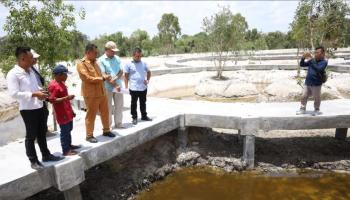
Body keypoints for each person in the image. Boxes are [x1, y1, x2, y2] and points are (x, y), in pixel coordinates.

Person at [6, 47, 63, 170]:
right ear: (22, 58)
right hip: (28, 109)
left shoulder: (31, 70)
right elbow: (14, 94)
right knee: (31, 136)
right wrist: (34, 94)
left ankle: (46, 155)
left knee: (42, 133)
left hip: (39, 106)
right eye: (31, 57)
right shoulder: (13, 74)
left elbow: (34, 86)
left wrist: (41, 91)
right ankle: (33, 160)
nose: (33, 60)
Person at [77, 44, 115, 143]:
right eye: (95, 52)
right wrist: (102, 78)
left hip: (102, 92)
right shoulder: (81, 64)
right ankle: (89, 135)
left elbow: (100, 74)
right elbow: (87, 78)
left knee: (105, 112)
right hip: (91, 94)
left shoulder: (96, 62)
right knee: (91, 115)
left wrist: (105, 75)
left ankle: (106, 130)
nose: (96, 54)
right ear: (88, 53)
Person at [48, 65, 81, 156]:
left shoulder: (61, 83)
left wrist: (72, 110)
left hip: (67, 111)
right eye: (65, 75)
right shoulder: (53, 86)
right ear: (59, 75)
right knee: (64, 131)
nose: (67, 77)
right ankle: (65, 150)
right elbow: (52, 100)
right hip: (62, 113)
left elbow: (65, 99)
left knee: (69, 129)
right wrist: (67, 98)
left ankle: (69, 145)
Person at [98, 41, 124, 129]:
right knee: (108, 108)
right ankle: (108, 126)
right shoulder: (101, 60)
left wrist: (116, 79)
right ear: (107, 50)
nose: (114, 52)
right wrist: (115, 84)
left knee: (119, 106)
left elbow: (121, 71)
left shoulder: (117, 58)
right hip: (107, 88)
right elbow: (104, 75)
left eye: (115, 51)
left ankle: (119, 123)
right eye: (112, 51)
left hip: (118, 86)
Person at [296, 46, 328, 116]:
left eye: (317, 52)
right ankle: (302, 108)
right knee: (304, 96)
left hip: (316, 84)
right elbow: (302, 64)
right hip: (308, 82)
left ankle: (316, 109)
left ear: (322, 54)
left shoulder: (324, 62)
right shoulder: (312, 60)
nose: (315, 54)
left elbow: (319, 69)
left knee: (317, 98)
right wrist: (303, 57)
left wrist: (311, 59)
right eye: (315, 52)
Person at [124, 47, 152, 125]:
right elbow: (125, 76)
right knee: (134, 103)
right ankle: (134, 117)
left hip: (143, 87)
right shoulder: (128, 64)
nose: (139, 58)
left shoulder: (144, 63)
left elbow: (149, 72)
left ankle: (144, 116)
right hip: (133, 87)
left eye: (140, 56)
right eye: (137, 56)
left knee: (143, 102)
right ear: (133, 55)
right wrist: (126, 87)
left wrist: (148, 80)